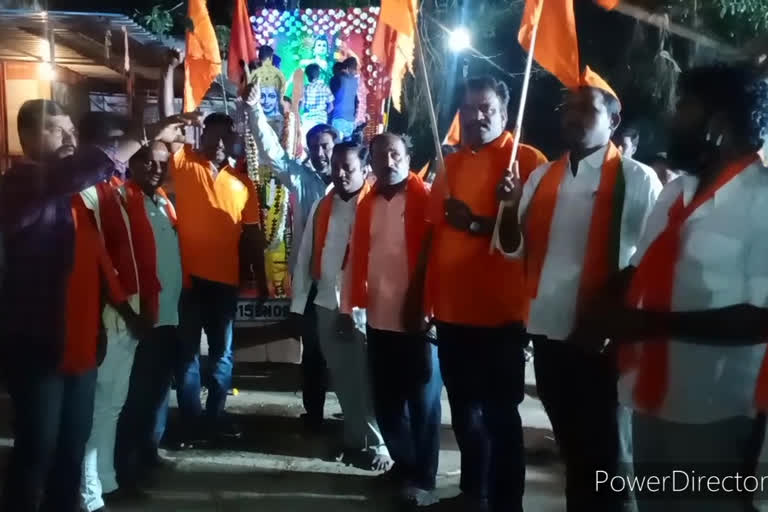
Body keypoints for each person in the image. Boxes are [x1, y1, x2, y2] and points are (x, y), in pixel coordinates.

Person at [573, 64, 768, 512]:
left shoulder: (761, 199)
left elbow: (760, 318)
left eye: (685, 108)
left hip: (716, 413)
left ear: (717, 127)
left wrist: (645, 324)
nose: (672, 118)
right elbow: (638, 268)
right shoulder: (677, 192)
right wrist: (600, 306)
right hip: (648, 395)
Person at [0, 99, 179, 512]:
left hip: (81, 348)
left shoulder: (75, 198)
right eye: (56, 131)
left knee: (72, 451)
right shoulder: (22, 184)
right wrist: (146, 135)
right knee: (36, 453)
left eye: (71, 131)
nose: (69, 139)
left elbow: (99, 262)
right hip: (40, 347)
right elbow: (77, 172)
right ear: (26, 136)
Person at [496, 68, 661, 512]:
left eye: (587, 107)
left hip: (602, 340)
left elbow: (650, 260)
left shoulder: (636, 178)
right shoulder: (542, 177)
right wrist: (509, 208)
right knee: (574, 448)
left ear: (614, 121)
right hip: (548, 331)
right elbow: (511, 248)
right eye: (568, 107)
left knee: (609, 453)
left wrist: (612, 319)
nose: (573, 115)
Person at [405, 75, 547, 512]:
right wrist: (418, 293)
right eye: (468, 109)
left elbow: (535, 237)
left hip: (501, 315)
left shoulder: (526, 160)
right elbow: (433, 233)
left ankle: (508, 503)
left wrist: (477, 222)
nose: (475, 116)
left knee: (501, 416)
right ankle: (474, 493)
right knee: (464, 412)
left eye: (485, 108)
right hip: (450, 312)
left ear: (505, 114)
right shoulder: (450, 165)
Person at [343, 133, 443, 507]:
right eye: (381, 155)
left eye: (396, 154)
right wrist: (350, 307)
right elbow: (356, 259)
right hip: (379, 317)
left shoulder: (429, 197)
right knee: (386, 401)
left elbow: (439, 258)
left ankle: (424, 478)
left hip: (420, 320)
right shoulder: (366, 204)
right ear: (372, 161)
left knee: (423, 404)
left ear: (408, 157)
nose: (389, 161)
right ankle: (405, 466)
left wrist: (434, 308)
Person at [290, 141, 391, 470]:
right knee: (342, 377)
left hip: (365, 309)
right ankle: (353, 438)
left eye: (348, 167)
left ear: (365, 170)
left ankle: (381, 446)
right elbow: (306, 254)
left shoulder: (377, 205)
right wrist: (298, 304)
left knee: (369, 379)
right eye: (336, 167)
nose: (341, 173)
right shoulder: (323, 205)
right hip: (326, 305)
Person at [245, 83, 338, 430]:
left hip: (348, 286)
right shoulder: (302, 179)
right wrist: (254, 111)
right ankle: (314, 415)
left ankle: (356, 420)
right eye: (314, 147)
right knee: (312, 353)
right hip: (313, 284)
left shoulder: (358, 182)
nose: (320, 153)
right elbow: (272, 154)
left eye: (326, 146)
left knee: (348, 354)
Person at [171, 112, 262, 446]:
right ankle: (191, 420)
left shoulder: (244, 184)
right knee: (187, 355)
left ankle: (215, 416)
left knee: (222, 355)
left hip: (225, 283)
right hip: (188, 281)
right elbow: (167, 136)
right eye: (214, 135)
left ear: (235, 140)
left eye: (227, 136)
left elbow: (252, 236)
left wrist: (262, 281)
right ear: (202, 134)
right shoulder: (184, 163)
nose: (220, 143)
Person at [114, 141, 183, 495]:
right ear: (133, 165)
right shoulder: (123, 202)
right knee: (135, 400)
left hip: (168, 315)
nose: (157, 169)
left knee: (156, 393)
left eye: (162, 163)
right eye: (149, 163)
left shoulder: (163, 203)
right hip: (143, 319)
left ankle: (146, 453)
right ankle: (124, 473)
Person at [300, 63, 334, 137]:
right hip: (321, 120)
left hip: (307, 120)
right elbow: (331, 107)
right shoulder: (325, 88)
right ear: (319, 75)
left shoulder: (304, 88)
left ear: (307, 75)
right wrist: (324, 113)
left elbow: (301, 106)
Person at [330, 58, 359, 141]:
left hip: (338, 116)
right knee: (347, 146)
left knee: (336, 145)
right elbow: (356, 100)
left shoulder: (336, 79)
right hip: (350, 119)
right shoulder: (355, 81)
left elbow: (331, 97)